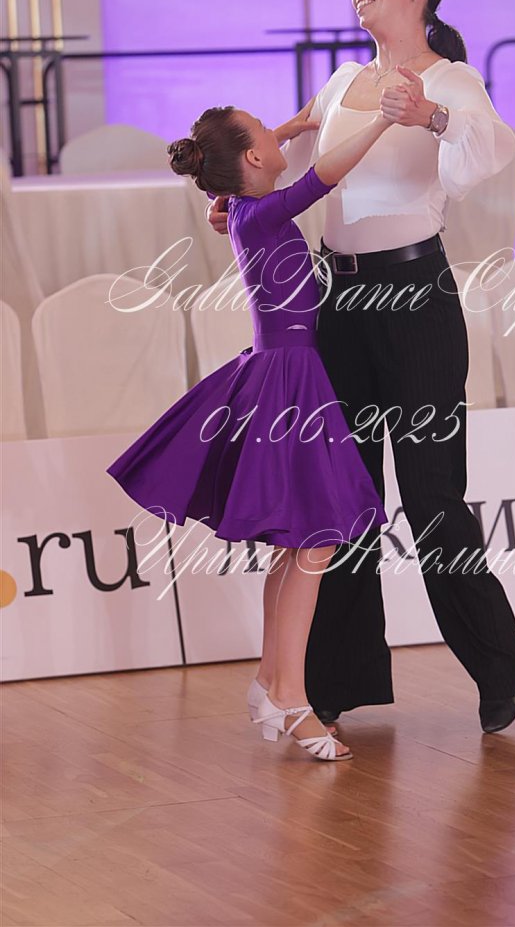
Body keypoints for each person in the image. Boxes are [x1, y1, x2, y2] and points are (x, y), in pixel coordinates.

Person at [208, 0, 515, 734]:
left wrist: (431, 115)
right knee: (345, 494)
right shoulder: (344, 79)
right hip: (338, 303)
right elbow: (283, 148)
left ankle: (497, 668)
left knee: (431, 495)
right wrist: (235, 196)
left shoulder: (450, 79)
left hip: (417, 299)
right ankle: (337, 681)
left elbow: (494, 147)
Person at [106, 102, 399, 762]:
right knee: (314, 543)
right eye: (266, 130)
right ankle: (290, 696)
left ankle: (273, 683)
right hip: (289, 381)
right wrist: (383, 123)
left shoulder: (239, 206)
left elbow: (265, 162)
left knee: (298, 545)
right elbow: (323, 175)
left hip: (287, 374)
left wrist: (289, 129)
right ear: (252, 159)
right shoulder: (260, 211)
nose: (276, 130)